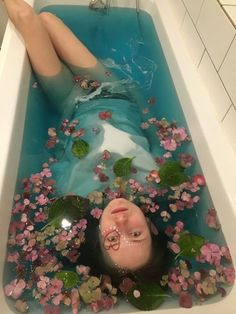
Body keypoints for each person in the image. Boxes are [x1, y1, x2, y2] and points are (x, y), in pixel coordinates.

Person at [3, 0, 169, 283]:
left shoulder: (70, 194)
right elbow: (153, 133)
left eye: (114, 239)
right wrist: (134, 96)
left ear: (96, 240)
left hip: (69, 101)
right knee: (48, 19)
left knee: (28, 17)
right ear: (152, 228)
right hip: (114, 90)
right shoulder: (156, 181)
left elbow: (52, 152)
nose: (121, 222)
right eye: (136, 234)